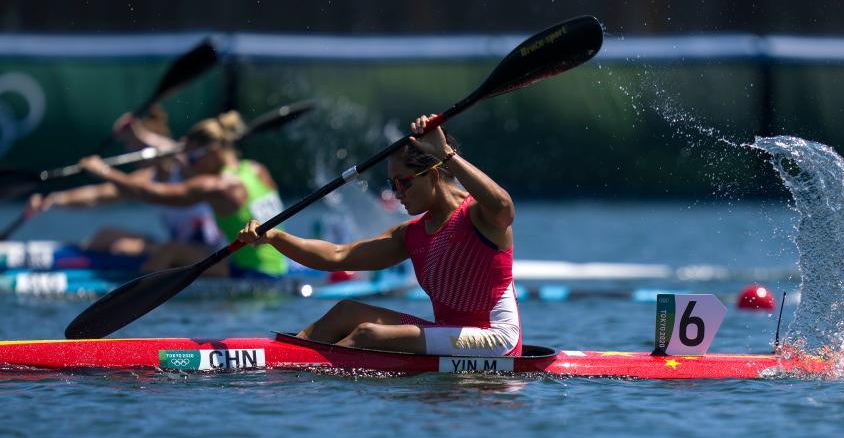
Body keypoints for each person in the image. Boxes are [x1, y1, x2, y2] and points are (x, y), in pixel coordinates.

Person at [237, 114, 521, 356]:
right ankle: (286, 360)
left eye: (403, 183)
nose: (397, 193)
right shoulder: (411, 235)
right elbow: (337, 256)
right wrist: (274, 237)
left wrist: (446, 153)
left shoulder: (478, 215)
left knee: (369, 334)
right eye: (392, 184)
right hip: (450, 335)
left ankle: (305, 374)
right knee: (346, 312)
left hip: (496, 340)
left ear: (433, 176)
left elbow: (504, 207)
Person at [73, 111, 288, 278]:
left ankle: (139, 298)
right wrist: (142, 135)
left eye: (193, 160)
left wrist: (104, 171)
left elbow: (152, 194)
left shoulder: (218, 185)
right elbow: (179, 154)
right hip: (280, 268)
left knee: (171, 251)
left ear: (214, 152)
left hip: (252, 275)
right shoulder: (256, 169)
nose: (189, 166)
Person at [25, 106, 224, 272]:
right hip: (178, 251)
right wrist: (51, 200)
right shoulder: (146, 178)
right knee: (106, 235)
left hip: (213, 256)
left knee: (161, 250)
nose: (129, 152)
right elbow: (98, 195)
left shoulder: (188, 170)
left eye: (134, 145)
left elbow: (178, 151)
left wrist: (140, 133)